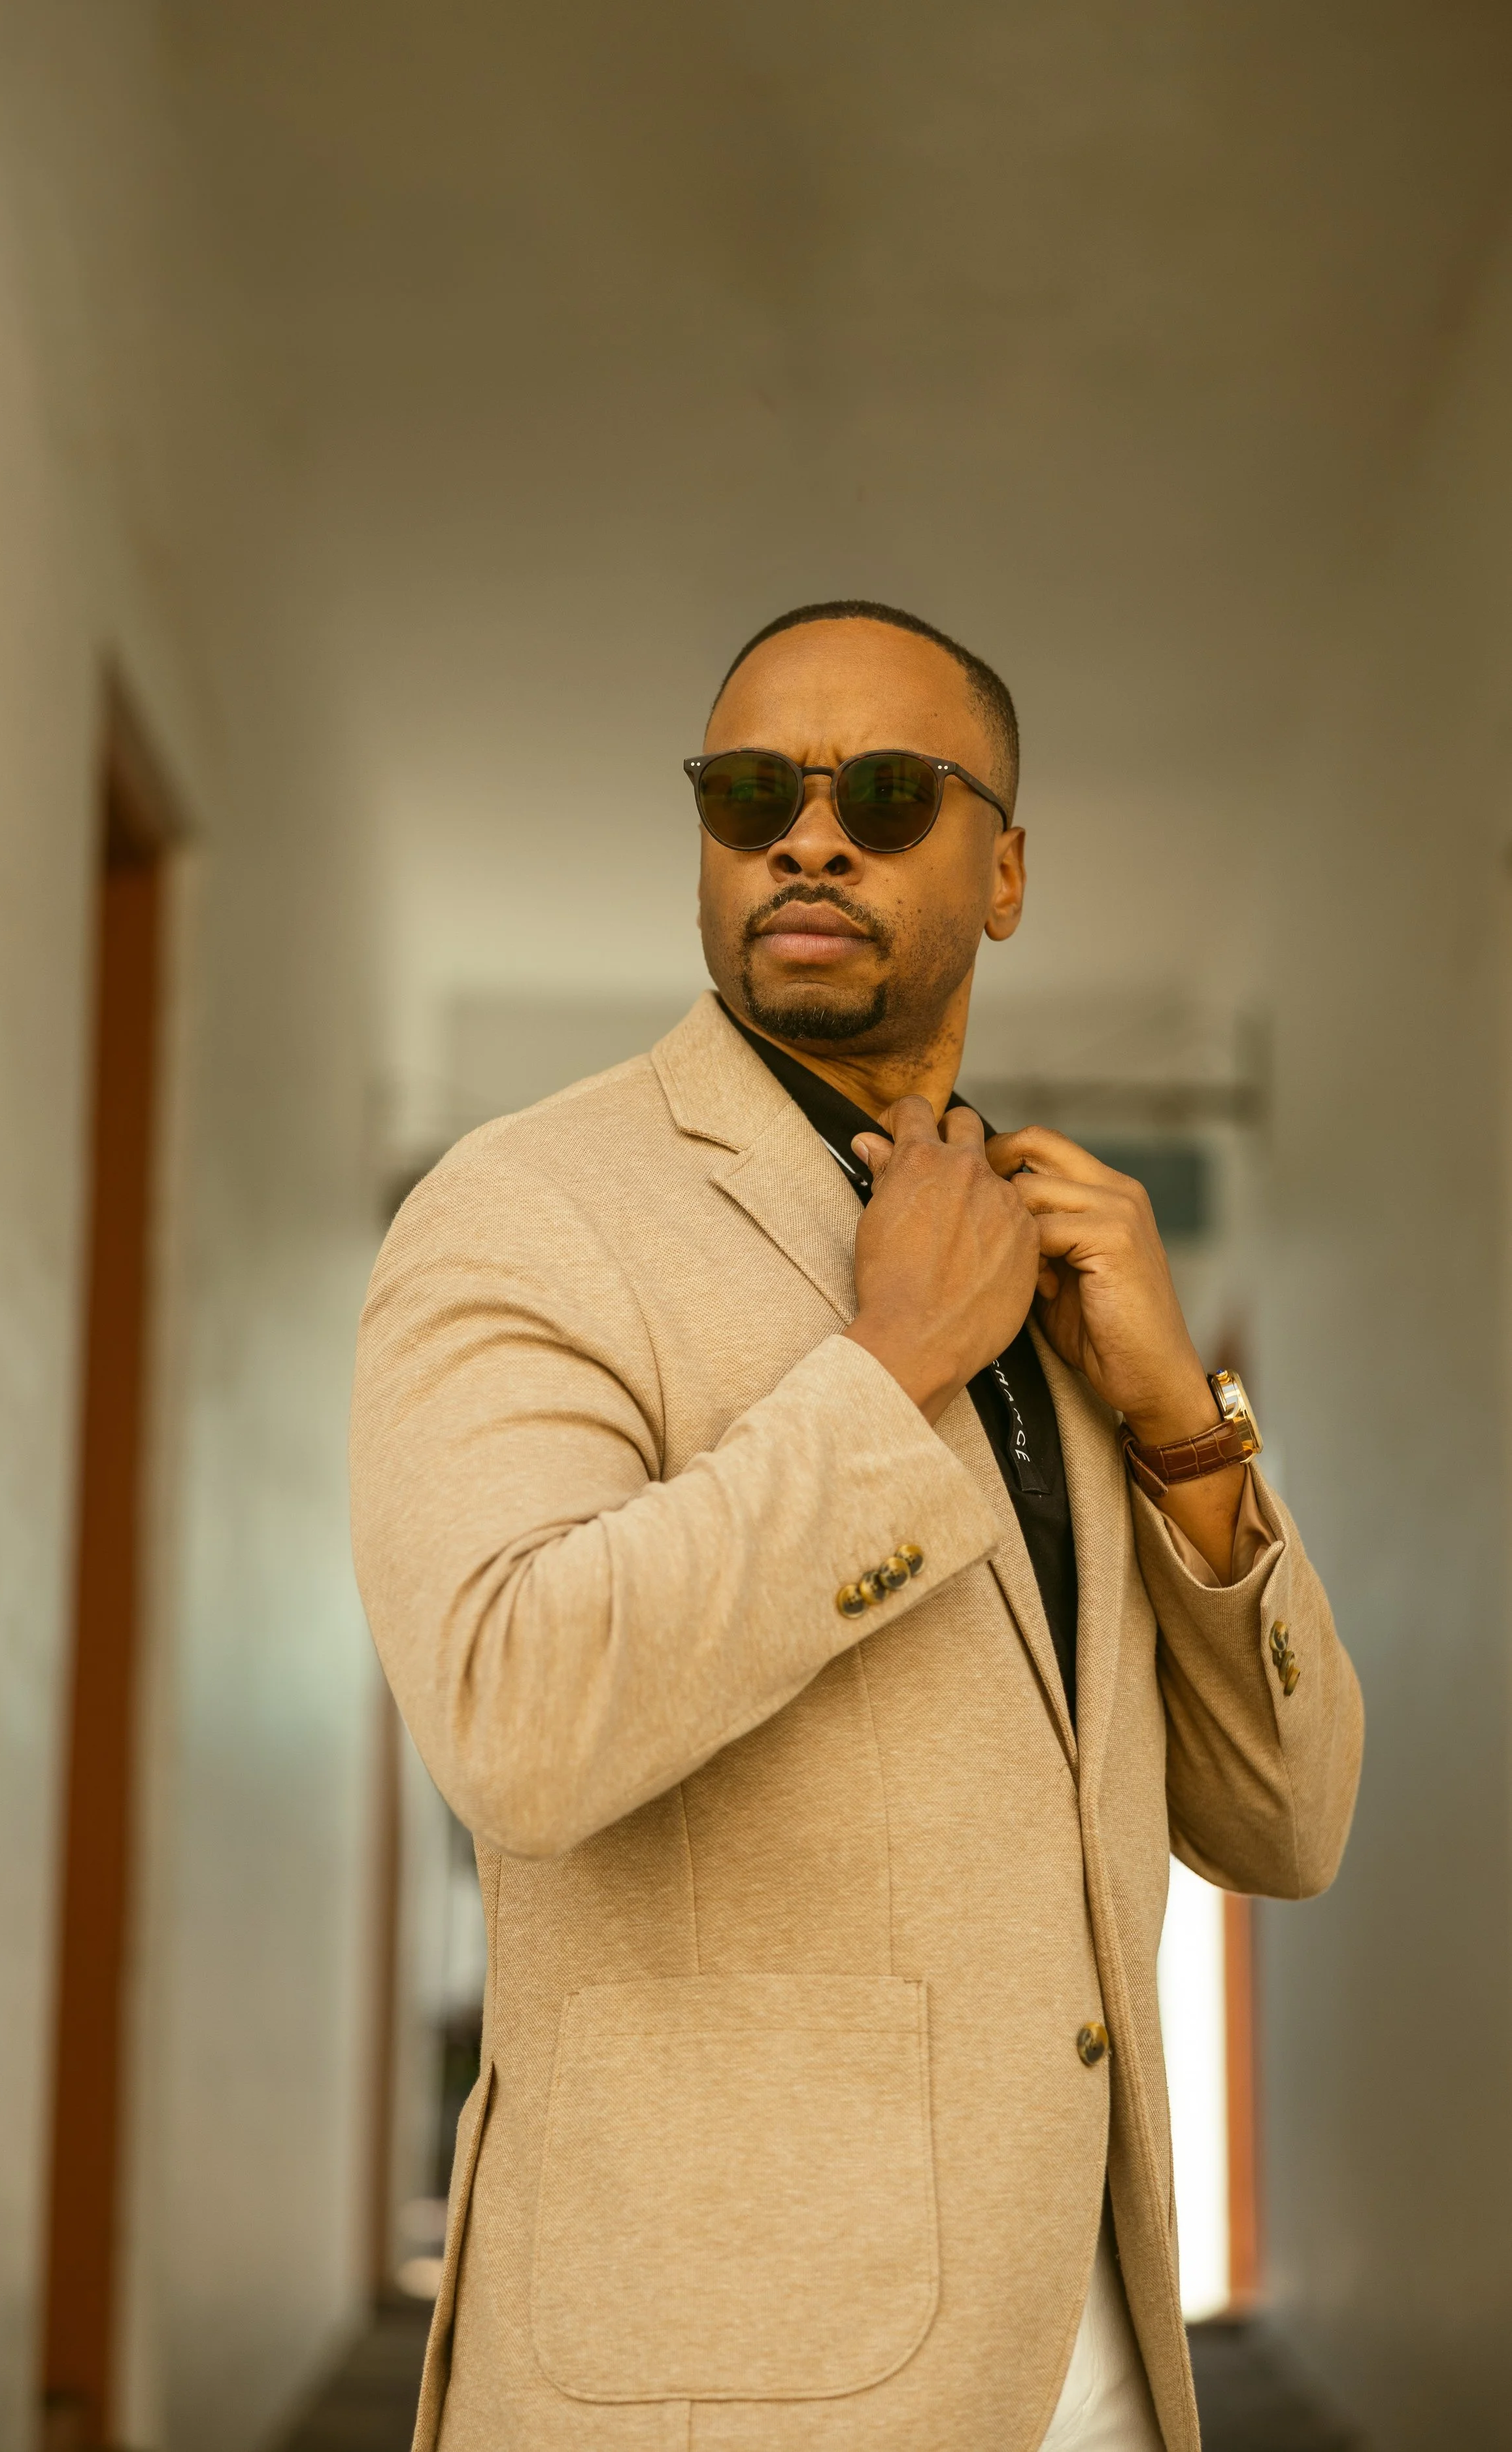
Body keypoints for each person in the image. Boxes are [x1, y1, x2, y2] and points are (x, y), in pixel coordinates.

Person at [350, 600, 1362, 2452]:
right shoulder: (527, 1209)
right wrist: (882, 1371)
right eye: (753, 793)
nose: (806, 835)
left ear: (1006, 870)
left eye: (885, 792)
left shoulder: (1044, 1259)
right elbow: (511, 1710)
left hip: (1092, 2363)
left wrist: (1175, 1427)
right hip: (713, 2385)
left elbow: (1284, 1821)